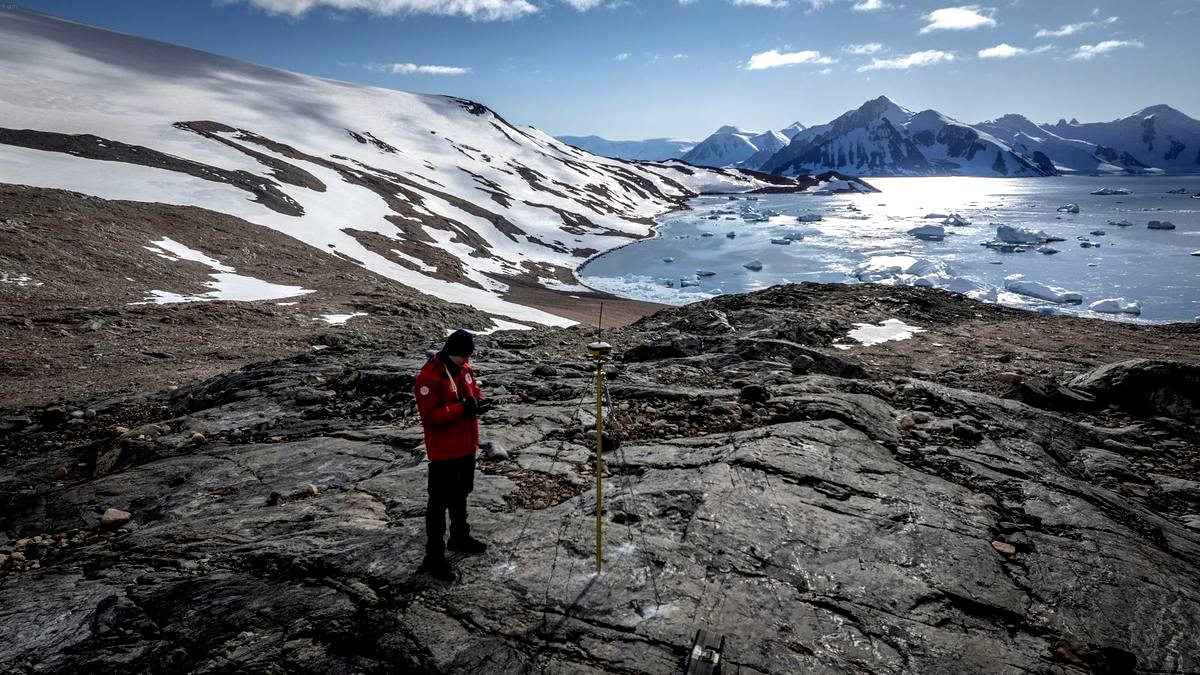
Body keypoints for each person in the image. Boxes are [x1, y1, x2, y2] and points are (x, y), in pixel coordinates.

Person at [413, 329, 491, 581]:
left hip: (466, 445)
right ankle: (433, 555)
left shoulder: (465, 369)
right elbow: (431, 417)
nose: (467, 361)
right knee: (438, 503)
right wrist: (462, 409)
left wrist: (478, 402)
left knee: (461, 493)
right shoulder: (430, 377)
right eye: (463, 357)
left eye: (469, 357)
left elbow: (472, 394)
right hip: (444, 451)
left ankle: (459, 537)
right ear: (451, 352)